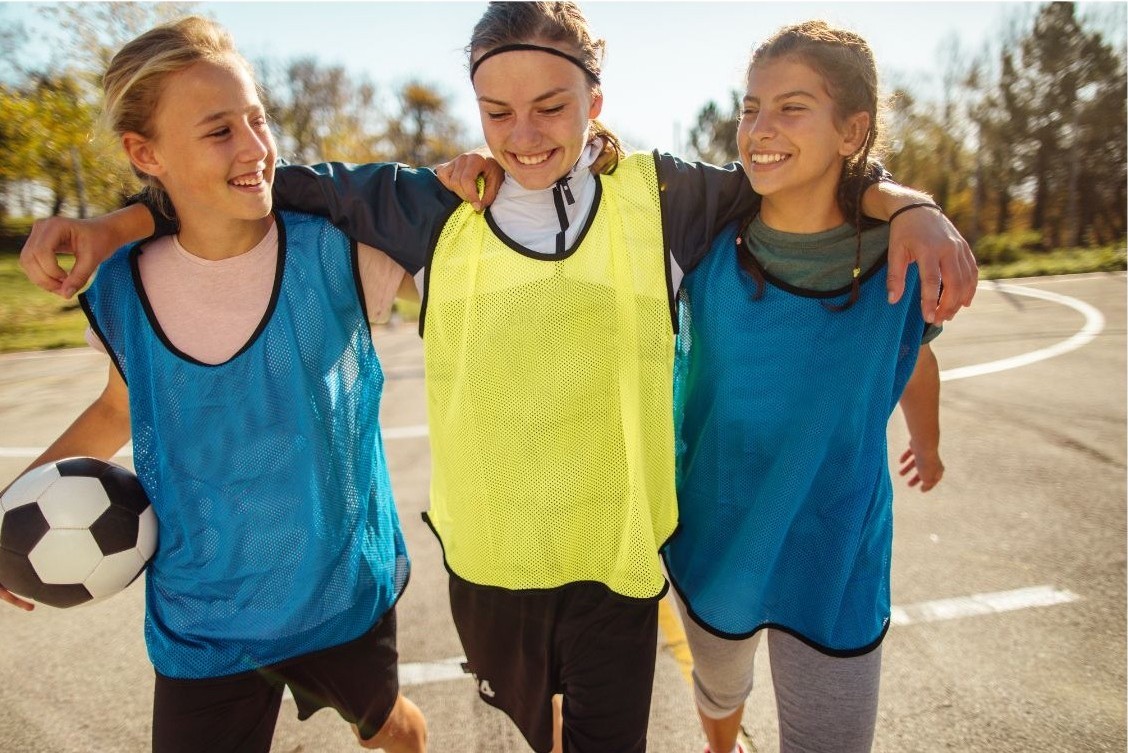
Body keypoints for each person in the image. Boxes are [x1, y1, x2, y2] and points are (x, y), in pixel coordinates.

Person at [16, 4, 975, 751]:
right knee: (536, 727)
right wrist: (113, 226)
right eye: (499, 110)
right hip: (492, 560)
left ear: (596, 102)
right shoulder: (431, 204)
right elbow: (281, 184)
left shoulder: (665, 195)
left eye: (553, 107)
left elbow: (800, 181)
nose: (525, 132)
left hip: (618, 557)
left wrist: (913, 206)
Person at [0, 17, 426, 753]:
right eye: (219, 130)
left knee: (388, 727)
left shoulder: (342, 256)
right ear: (144, 152)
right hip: (205, 614)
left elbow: (437, 213)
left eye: (257, 120)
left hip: (336, 592)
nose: (255, 147)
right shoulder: (123, 290)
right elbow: (116, 406)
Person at [661, 20, 947, 753]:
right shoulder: (707, 242)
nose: (760, 127)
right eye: (750, 106)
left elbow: (912, 355)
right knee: (721, 689)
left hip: (837, 545)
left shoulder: (902, 257)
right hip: (720, 529)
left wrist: (928, 437)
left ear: (853, 132)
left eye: (791, 107)